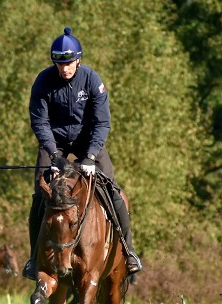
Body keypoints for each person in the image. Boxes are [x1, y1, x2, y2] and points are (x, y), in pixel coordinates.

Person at [22, 26, 142, 281]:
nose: (64, 69)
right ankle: (34, 258)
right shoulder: (43, 82)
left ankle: (129, 251)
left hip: (88, 142)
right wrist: (54, 156)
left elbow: (102, 123)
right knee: (41, 195)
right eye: (59, 63)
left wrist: (90, 157)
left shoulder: (92, 80)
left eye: (68, 63)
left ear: (78, 60)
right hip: (54, 143)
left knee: (113, 190)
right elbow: (40, 123)